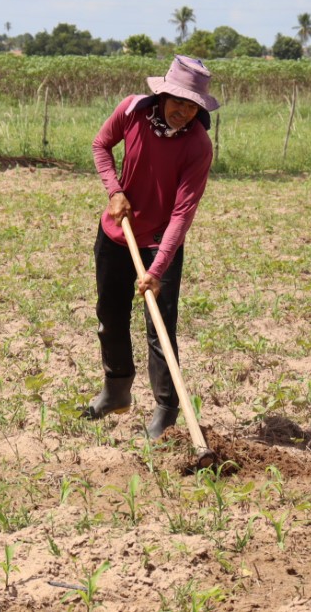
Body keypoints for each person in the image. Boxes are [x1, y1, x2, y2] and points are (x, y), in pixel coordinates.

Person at [82, 55, 220, 439]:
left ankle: (165, 410)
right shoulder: (131, 110)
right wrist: (115, 191)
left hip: (160, 243)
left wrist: (156, 271)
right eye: (178, 101)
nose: (183, 110)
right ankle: (116, 391)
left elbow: (182, 214)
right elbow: (100, 146)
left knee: (160, 331)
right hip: (117, 233)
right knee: (109, 317)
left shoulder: (198, 146)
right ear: (161, 93)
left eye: (192, 105)